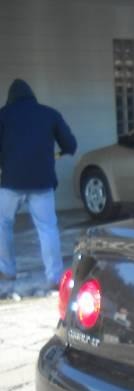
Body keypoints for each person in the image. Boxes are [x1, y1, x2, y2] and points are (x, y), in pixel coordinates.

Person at [0, 79, 77, 288]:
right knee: (47, 228)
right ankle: (54, 277)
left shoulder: (3, 115)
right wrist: (58, 154)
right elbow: (71, 144)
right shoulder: (49, 114)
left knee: (3, 224)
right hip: (42, 183)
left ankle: (7, 271)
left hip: (11, 183)